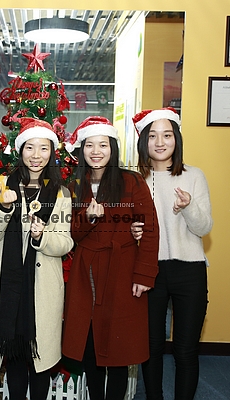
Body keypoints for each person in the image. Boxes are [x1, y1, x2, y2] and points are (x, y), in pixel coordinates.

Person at [61, 116, 159, 400]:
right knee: (89, 346)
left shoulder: (132, 181)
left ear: (112, 148)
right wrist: (88, 218)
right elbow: (72, 234)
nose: (96, 151)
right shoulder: (74, 185)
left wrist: (143, 275)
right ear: (81, 150)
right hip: (86, 273)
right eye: (89, 145)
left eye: (103, 145)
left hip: (121, 271)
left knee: (118, 350)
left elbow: (150, 228)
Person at [0, 118, 74, 400]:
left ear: (51, 152)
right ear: (20, 151)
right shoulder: (1, 186)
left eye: (43, 148)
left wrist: (42, 236)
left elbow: (65, 242)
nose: (36, 155)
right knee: (15, 353)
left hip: (41, 290)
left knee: (40, 356)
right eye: (30, 147)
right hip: (8, 287)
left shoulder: (61, 193)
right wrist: (4, 207)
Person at [133, 107, 213, 400]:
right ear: (144, 141)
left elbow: (204, 227)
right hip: (149, 271)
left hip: (189, 270)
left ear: (176, 139)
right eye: (152, 136)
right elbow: (125, 229)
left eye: (167, 135)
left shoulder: (194, 176)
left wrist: (188, 206)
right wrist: (132, 231)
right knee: (151, 347)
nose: (160, 142)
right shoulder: (135, 180)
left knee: (185, 349)